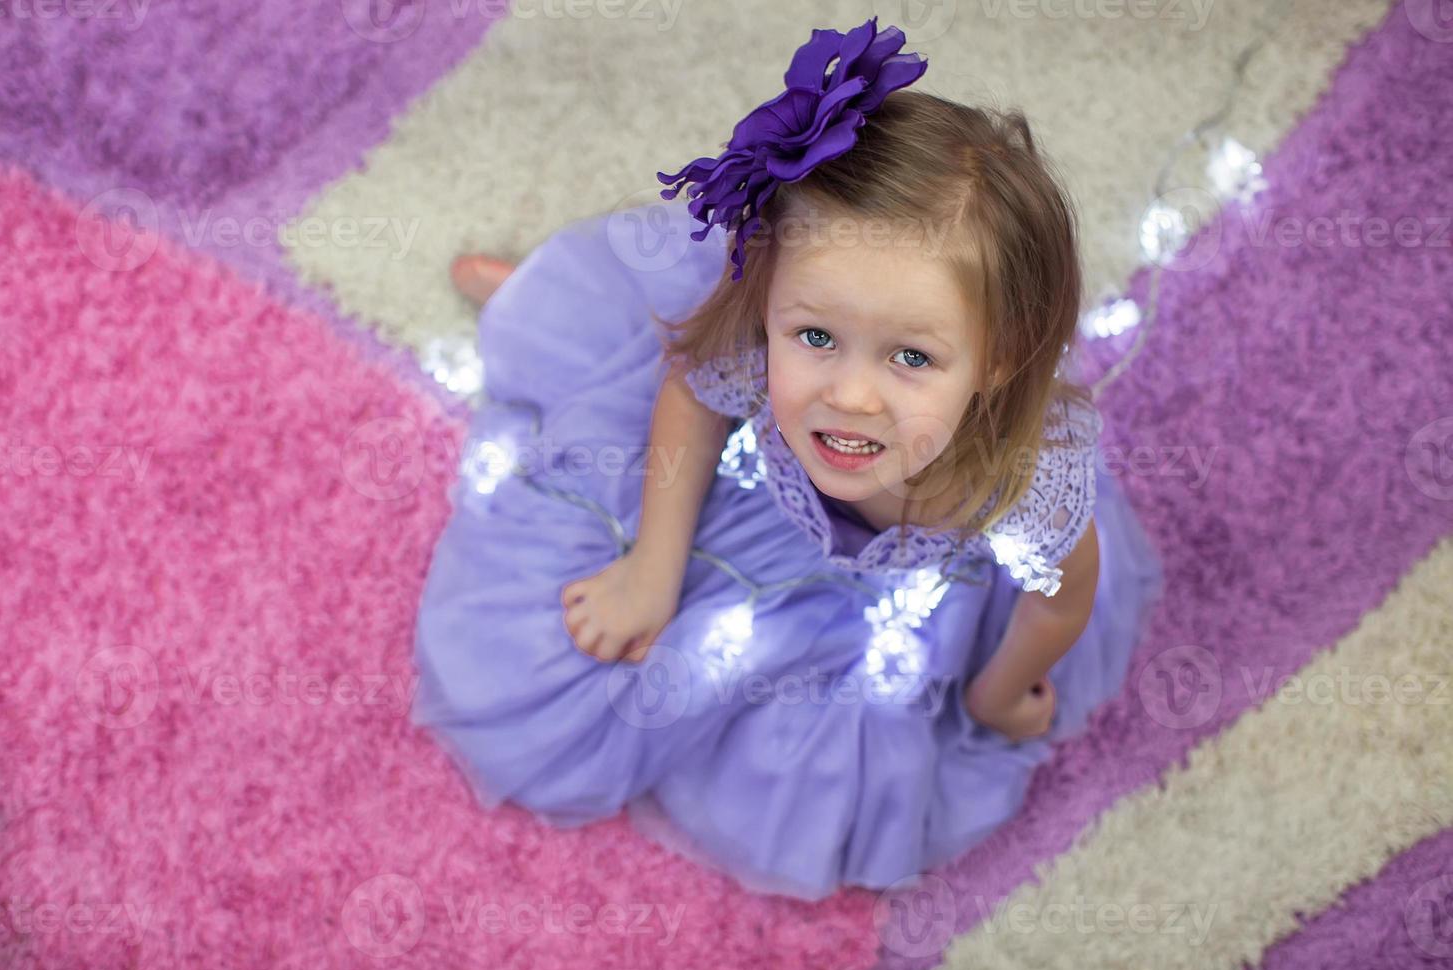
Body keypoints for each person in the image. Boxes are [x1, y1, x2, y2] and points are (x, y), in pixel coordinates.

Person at [413, 17, 1164, 901]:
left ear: (997, 360)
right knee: (543, 655)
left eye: (911, 358)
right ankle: (538, 295)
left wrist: (1000, 693)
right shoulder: (753, 342)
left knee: (816, 774)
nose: (850, 396)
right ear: (771, 305)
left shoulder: (1020, 482)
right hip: (742, 495)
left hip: (891, 603)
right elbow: (692, 394)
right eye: (815, 336)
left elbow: (1062, 594)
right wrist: (654, 570)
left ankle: (546, 301)